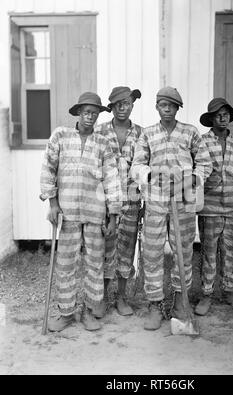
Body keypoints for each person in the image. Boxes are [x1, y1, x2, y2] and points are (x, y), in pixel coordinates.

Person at [131, 86, 212, 331]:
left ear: (178, 108)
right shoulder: (147, 134)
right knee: (152, 254)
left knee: (182, 252)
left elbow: (204, 163)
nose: (167, 109)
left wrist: (191, 180)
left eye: (172, 105)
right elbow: (137, 165)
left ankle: (180, 303)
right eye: (163, 105)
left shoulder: (190, 133)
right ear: (157, 107)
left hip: (183, 203)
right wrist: (151, 174)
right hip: (156, 202)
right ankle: (155, 305)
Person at [40, 92, 121, 332]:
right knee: (66, 264)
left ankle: (88, 311)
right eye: (86, 112)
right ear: (78, 113)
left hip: (95, 213)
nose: (90, 117)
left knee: (94, 263)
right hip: (67, 213)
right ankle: (66, 313)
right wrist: (53, 204)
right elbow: (48, 169)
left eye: (95, 113)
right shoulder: (61, 136)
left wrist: (113, 215)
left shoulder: (103, 143)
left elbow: (112, 179)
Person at [195, 97, 233, 316]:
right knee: (209, 252)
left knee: (231, 252)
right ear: (211, 119)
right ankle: (206, 295)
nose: (222, 118)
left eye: (225, 114)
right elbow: (198, 170)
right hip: (209, 207)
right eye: (218, 115)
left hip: (231, 207)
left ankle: (230, 292)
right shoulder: (203, 142)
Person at [95, 86, 143, 317]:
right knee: (105, 250)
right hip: (105, 202)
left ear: (133, 105)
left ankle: (122, 298)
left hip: (132, 201)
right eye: (118, 104)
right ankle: (102, 297)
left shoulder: (142, 134)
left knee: (126, 250)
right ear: (111, 107)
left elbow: (146, 168)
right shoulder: (100, 132)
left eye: (127, 103)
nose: (123, 108)